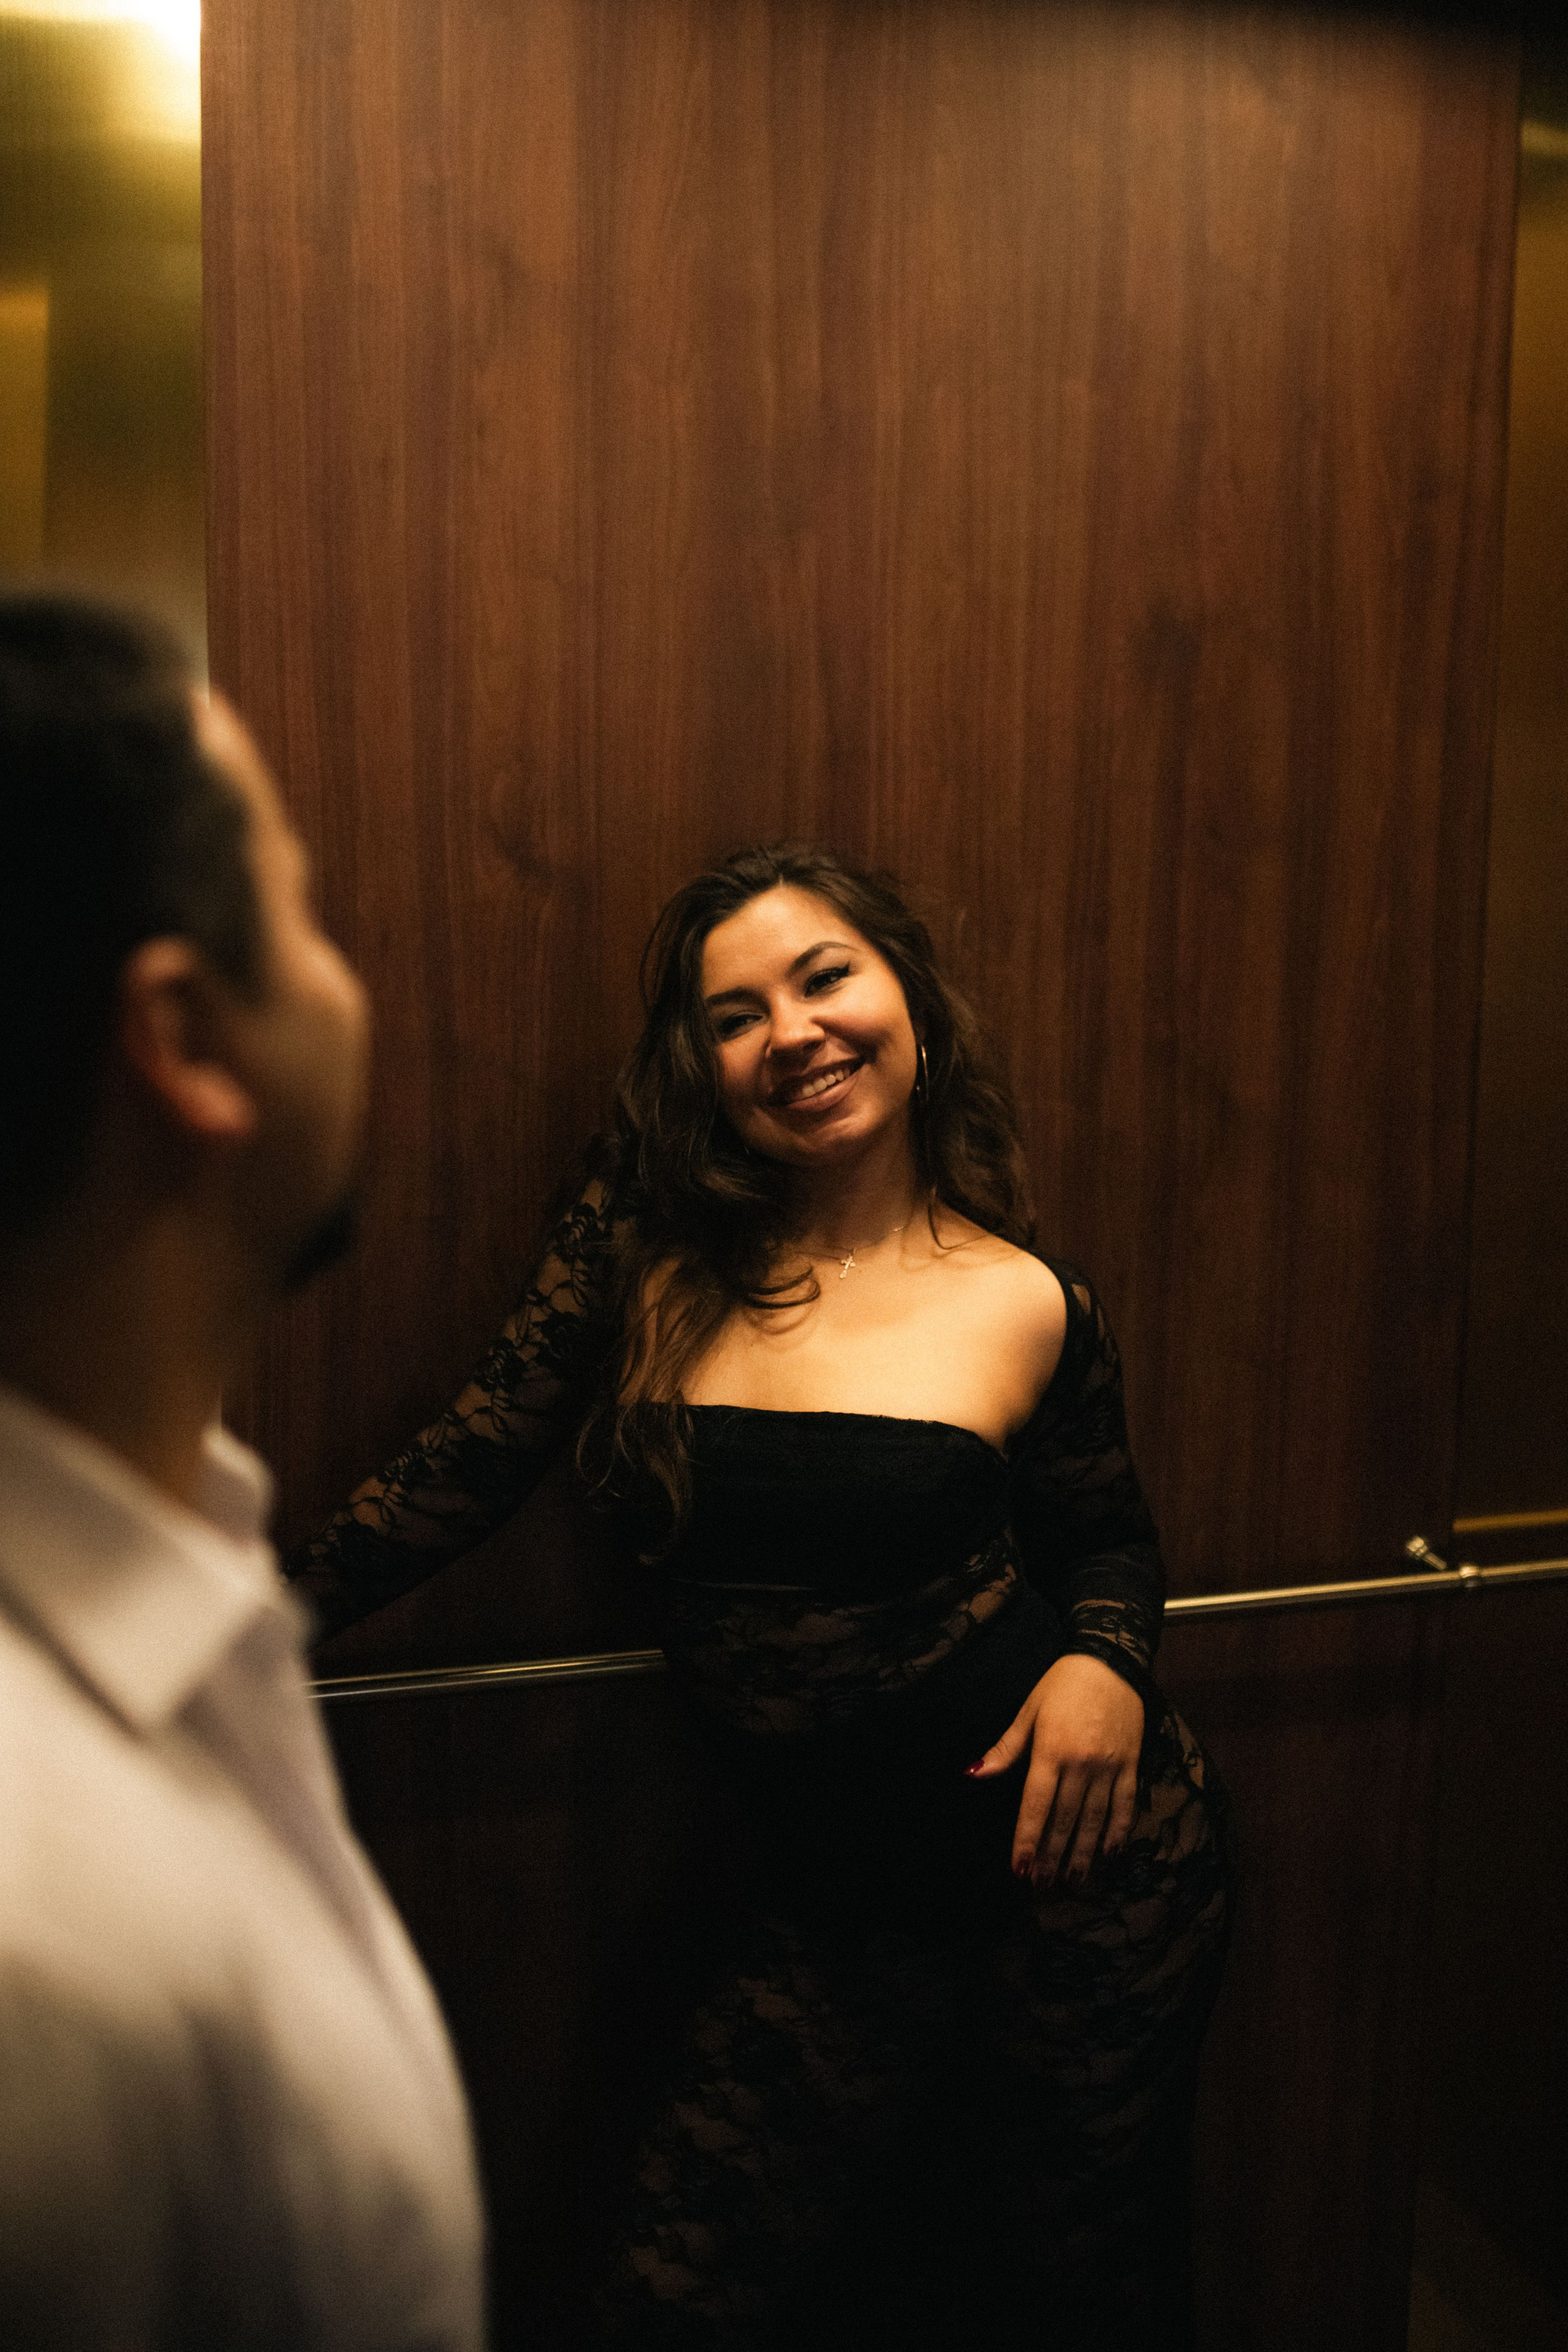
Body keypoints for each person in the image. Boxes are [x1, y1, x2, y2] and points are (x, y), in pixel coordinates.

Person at [290, 843, 1235, 2350]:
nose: (791, 1033)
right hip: (833, 1906)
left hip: (1086, 1875)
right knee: (671, 2294)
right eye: (734, 1016)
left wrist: (1106, 1662)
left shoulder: (1028, 1296)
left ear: (909, 999)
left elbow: (1111, 1538)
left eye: (824, 977)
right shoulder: (644, 1257)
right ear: (704, 1069)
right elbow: (464, 1467)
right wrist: (228, 1632)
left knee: (1066, 2283)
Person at [0, 595, 484, 2351]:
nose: (351, 984)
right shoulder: (42, 1956)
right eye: (305, 907)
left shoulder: (176, 1605)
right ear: (190, 1041)